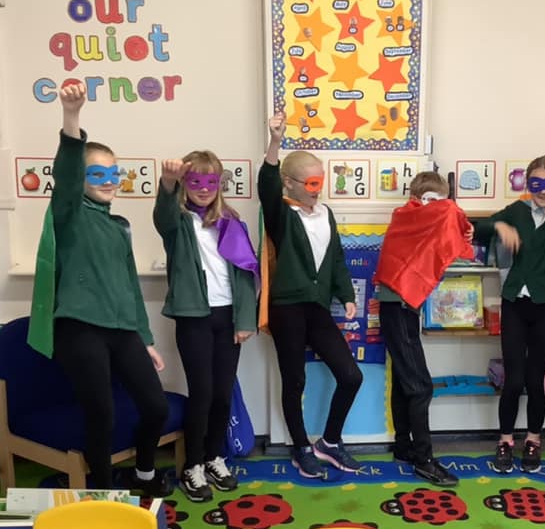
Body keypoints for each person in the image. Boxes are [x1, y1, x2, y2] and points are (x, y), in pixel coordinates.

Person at [27, 83, 172, 497]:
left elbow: (128, 287)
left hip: (121, 329)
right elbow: (68, 175)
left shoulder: (118, 226)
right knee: (101, 413)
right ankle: (105, 494)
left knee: (156, 406)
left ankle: (143, 474)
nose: (109, 182)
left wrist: (144, 339)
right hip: (80, 329)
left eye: (114, 174)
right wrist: (71, 119)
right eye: (98, 174)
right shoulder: (68, 213)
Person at [259, 112, 363, 478]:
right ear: (291, 183)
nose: (318, 188)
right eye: (312, 181)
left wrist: (347, 294)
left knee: (351, 375)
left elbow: (335, 258)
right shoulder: (282, 214)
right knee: (295, 380)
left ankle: (329, 442)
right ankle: (301, 446)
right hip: (287, 307)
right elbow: (266, 188)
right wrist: (274, 143)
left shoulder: (325, 214)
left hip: (316, 308)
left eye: (321, 181)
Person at [154, 151, 259, 502]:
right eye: (195, 181)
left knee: (222, 393)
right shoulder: (179, 222)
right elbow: (163, 216)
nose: (203, 189)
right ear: (185, 183)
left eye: (210, 181)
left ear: (219, 184)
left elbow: (245, 276)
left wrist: (245, 320)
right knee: (201, 393)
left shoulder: (231, 221)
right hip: (193, 316)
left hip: (227, 316)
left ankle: (215, 456)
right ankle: (193, 465)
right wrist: (167, 184)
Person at [472, 157, 545, 474]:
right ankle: (506, 440)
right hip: (515, 305)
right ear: (527, 184)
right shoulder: (517, 211)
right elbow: (476, 229)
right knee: (513, 379)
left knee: (536, 380)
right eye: (536, 183)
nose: (543, 191)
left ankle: (533, 439)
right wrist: (499, 225)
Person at [374, 171, 474, 486]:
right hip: (398, 309)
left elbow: (447, 240)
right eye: (431, 201)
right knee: (420, 386)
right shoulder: (407, 216)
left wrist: (463, 232)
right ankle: (424, 459)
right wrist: (452, 214)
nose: (437, 209)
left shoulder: (417, 222)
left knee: (407, 381)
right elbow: (447, 217)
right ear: (419, 200)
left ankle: (404, 446)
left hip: (402, 309)